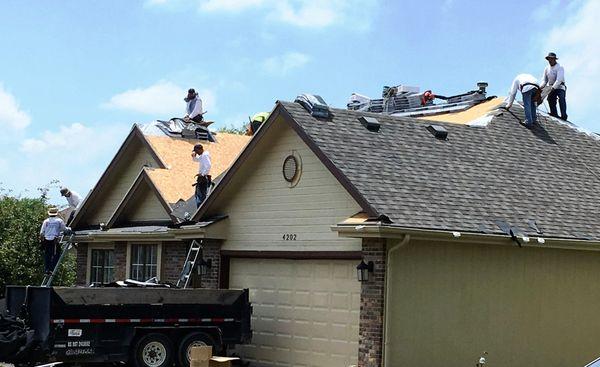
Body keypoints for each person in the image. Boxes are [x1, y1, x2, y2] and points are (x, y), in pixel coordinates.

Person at [540, 52, 567, 121]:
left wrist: (553, 88)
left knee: (561, 98)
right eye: (549, 59)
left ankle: (564, 115)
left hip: (560, 87)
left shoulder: (560, 67)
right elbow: (544, 80)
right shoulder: (546, 69)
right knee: (550, 99)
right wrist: (540, 87)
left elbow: (559, 79)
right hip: (551, 86)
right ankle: (554, 114)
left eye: (551, 59)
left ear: (555, 59)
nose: (550, 61)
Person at [39, 207, 66, 274]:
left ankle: (47, 269)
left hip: (46, 240)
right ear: (56, 214)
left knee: (47, 255)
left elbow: (42, 233)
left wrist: (42, 241)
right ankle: (51, 269)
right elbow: (64, 229)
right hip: (54, 240)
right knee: (56, 254)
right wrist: (69, 230)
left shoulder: (46, 221)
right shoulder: (59, 221)